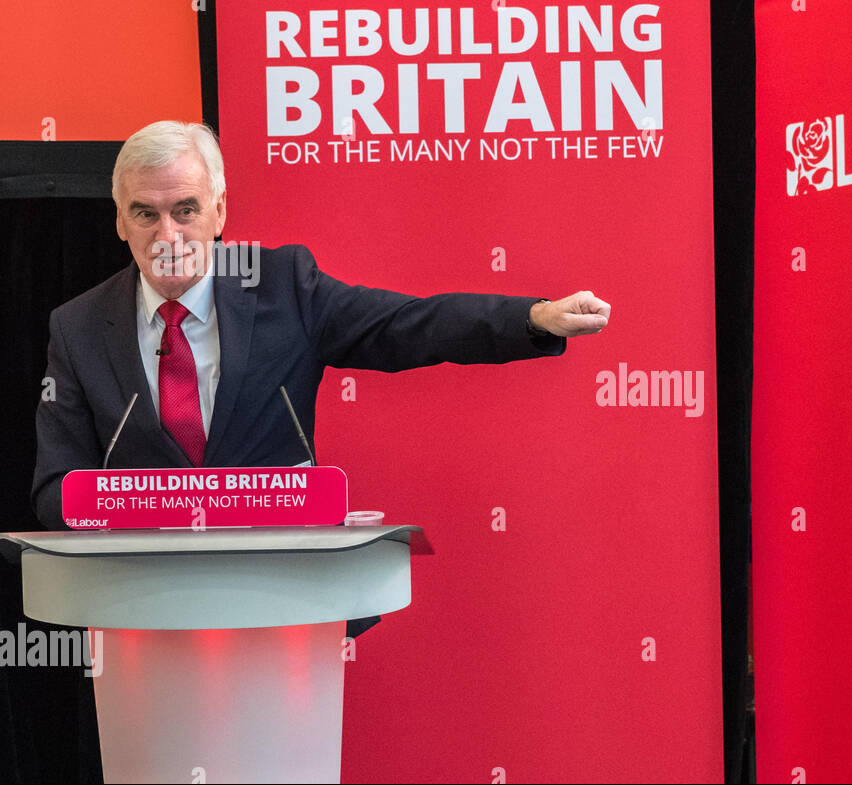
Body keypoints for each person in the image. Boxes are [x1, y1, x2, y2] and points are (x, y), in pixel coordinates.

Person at [31, 120, 611, 534]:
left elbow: (409, 324)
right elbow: (56, 491)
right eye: (145, 214)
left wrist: (530, 318)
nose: (168, 235)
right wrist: (134, 515)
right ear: (118, 221)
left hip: (285, 584)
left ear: (220, 213)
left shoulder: (284, 286)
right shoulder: (78, 326)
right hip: (142, 606)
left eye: (186, 209)